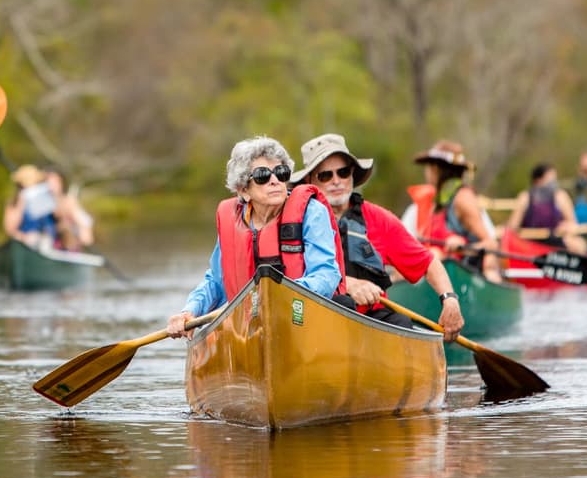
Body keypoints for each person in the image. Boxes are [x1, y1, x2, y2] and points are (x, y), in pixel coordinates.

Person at [165, 136, 343, 339]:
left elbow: (326, 274)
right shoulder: (232, 222)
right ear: (243, 190)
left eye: (281, 172)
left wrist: (279, 296)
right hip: (249, 326)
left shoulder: (312, 212)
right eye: (262, 176)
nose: (275, 180)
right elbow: (215, 281)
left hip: (302, 317)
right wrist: (189, 311)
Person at [293, 133, 463, 341]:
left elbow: (428, 262)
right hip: (318, 318)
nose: (336, 181)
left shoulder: (379, 219)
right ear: (309, 181)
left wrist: (450, 299)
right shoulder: (297, 221)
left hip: (373, 320)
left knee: (401, 324)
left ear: (352, 175)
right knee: (341, 304)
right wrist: (348, 284)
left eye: (343, 172)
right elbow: (290, 276)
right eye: (325, 176)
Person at [408, 140, 503, 284]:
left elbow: (491, 244)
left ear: (436, 169)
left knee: (435, 255)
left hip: (469, 269)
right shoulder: (440, 198)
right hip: (447, 266)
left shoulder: (463, 198)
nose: (426, 171)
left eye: (428, 167)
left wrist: (463, 248)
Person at [505, 163, 587, 254]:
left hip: (555, 239)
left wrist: (566, 227)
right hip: (530, 241)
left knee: (580, 245)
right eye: (550, 180)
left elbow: (572, 223)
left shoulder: (560, 196)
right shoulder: (525, 197)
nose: (553, 184)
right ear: (538, 180)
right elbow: (513, 226)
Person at [2, 164, 61, 249]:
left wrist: (55, 194)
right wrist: (24, 238)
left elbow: (59, 217)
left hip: (49, 244)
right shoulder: (15, 201)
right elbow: (10, 229)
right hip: (26, 246)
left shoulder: (47, 198)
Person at [46, 168, 95, 251]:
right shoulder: (43, 200)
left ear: (61, 183)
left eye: (54, 181)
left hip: (67, 245)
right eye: (48, 181)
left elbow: (86, 236)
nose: (50, 185)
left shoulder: (68, 201)